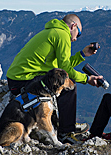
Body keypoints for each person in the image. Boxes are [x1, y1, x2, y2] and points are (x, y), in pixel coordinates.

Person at [6, 14, 102, 144]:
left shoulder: (53, 31)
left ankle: (65, 123)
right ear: (73, 26)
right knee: (68, 87)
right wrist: (87, 79)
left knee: (61, 81)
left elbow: (61, 68)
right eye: (77, 34)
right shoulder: (63, 35)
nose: (75, 39)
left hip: (16, 78)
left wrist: (82, 55)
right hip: (23, 80)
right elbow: (66, 69)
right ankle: (66, 131)